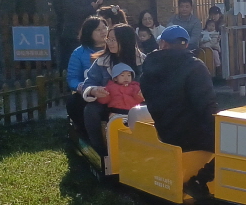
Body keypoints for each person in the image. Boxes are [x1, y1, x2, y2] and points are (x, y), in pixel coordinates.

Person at [139, 25, 217, 153]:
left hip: (165, 135)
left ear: (163, 43)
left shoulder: (148, 68)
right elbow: (207, 106)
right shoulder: (195, 67)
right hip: (197, 139)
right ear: (186, 45)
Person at [80, 23, 145, 157]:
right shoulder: (102, 61)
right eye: (108, 39)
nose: (109, 43)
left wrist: (144, 93)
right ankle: (101, 152)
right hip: (109, 103)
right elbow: (88, 83)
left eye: (113, 40)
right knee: (90, 110)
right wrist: (94, 90)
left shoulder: (143, 61)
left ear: (125, 41)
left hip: (136, 103)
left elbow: (153, 84)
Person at [65, 16, 107, 140]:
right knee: (74, 103)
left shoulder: (114, 47)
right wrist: (83, 88)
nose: (103, 31)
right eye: (98, 29)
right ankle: (86, 135)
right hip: (89, 93)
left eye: (105, 27)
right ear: (89, 33)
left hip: (112, 91)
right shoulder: (79, 53)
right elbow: (72, 78)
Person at [58, 0, 103, 67]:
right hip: (73, 34)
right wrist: (92, 7)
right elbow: (75, 12)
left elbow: (91, 10)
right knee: (73, 63)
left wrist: (98, 4)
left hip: (84, 34)